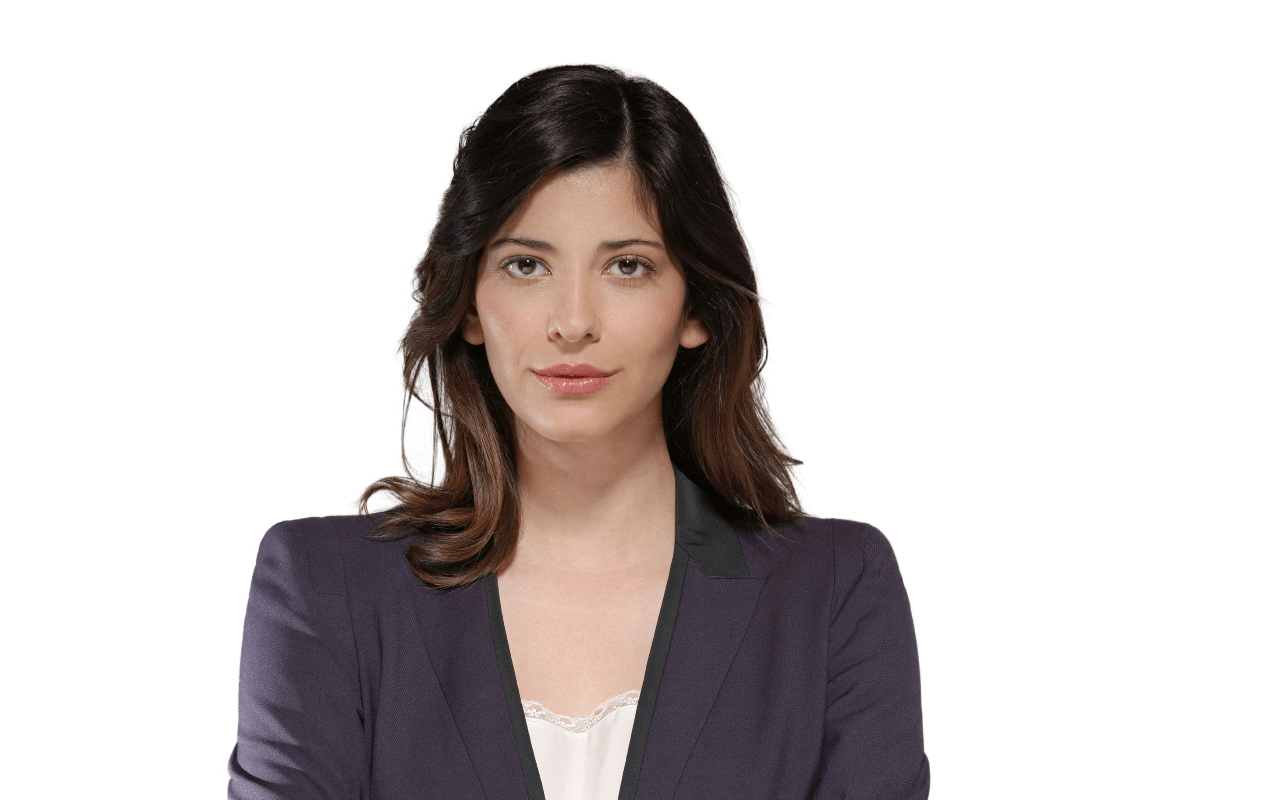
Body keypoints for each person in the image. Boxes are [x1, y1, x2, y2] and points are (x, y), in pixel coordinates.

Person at [227, 64, 929, 800]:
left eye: (627, 266)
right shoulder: (324, 590)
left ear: (695, 307)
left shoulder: (834, 592)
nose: (572, 322)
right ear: (469, 303)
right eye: (525, 265)